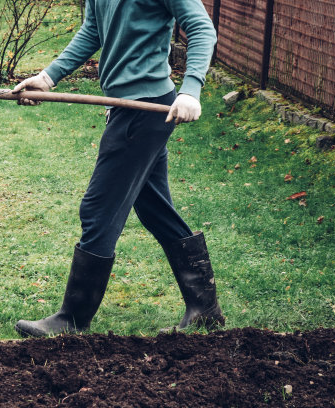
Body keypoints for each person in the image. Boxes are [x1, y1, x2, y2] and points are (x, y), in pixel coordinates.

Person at [12, 0, 225, 338]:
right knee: (155, 208)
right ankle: (205, 309)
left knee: (99, 209)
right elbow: (93, 30)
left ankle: (73, 318)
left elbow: (202, 29)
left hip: (147, 109)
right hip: (125, 107)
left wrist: (191, 89)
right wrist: (48, 77)